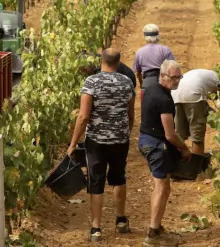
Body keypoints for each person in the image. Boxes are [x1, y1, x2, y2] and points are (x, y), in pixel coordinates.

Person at [68, 49, 135, 242]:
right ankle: (121, 220)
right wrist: (124, 133)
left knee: (96, 181)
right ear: (118, 62)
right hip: (120, 140)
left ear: (102, 61)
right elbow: (131, 115)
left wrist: (73, 143)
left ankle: (96, 227)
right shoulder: (127, 82)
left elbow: (83, 116)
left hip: (97, 141)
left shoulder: (92, 82)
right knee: (119, 177)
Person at [139, 60, 190, 246]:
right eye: (173, 77)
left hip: (147, 140)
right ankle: (153, 234)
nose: (177, 81)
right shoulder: (164, 99)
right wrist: (184, 148)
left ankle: (157, 227)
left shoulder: (152, 88)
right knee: (161, 188)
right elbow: (170, 134)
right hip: (155, 145)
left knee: (162, 186)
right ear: (162, 76)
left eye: (179, 77)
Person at [172, 69, 219, 155]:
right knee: (197, 136)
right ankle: (196, 165)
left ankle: (178, 164)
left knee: (179, 135)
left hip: (175, 93)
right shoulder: (217, 79)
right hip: (194, 93)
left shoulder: (211, 76)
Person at [133, 24, 175, 96]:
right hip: (163, 85)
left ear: (145, 36)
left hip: (147, 85)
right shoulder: (165, 50)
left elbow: (138, 72)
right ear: (158, 35)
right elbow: (173, 67)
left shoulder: (139, 52)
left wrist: (141, 84)